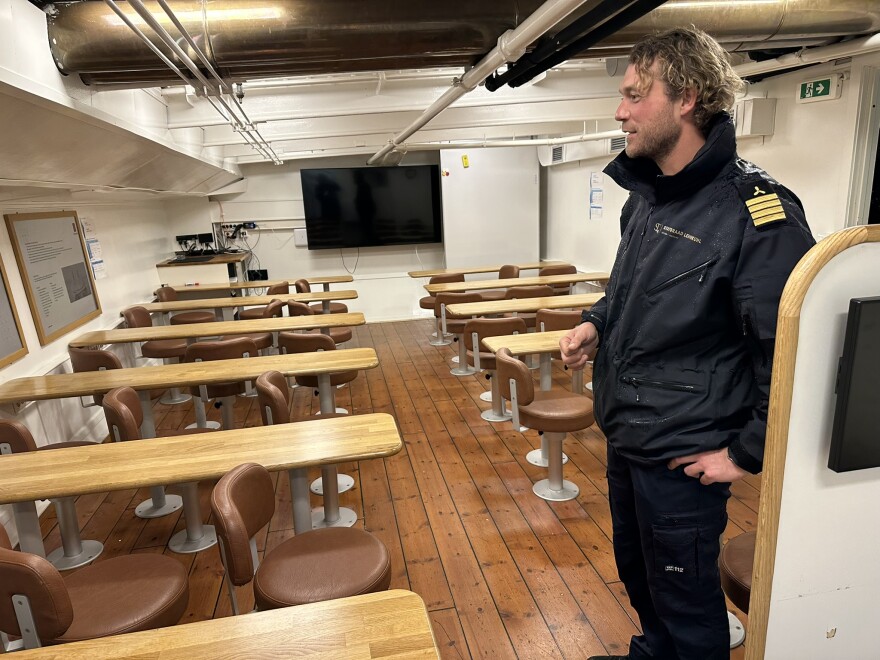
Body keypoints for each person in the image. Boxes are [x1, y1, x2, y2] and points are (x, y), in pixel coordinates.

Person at [560, 27, 815, 660]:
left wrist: (746, 456)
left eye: (634, 95)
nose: (620, 111)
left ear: (687, 98)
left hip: (684, 453)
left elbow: (793, 353)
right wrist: (597, 321)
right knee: (642, 579)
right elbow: (632, 292)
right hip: (629, 435)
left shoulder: (756, 212)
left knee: (688, 602)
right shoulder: (646, 197)